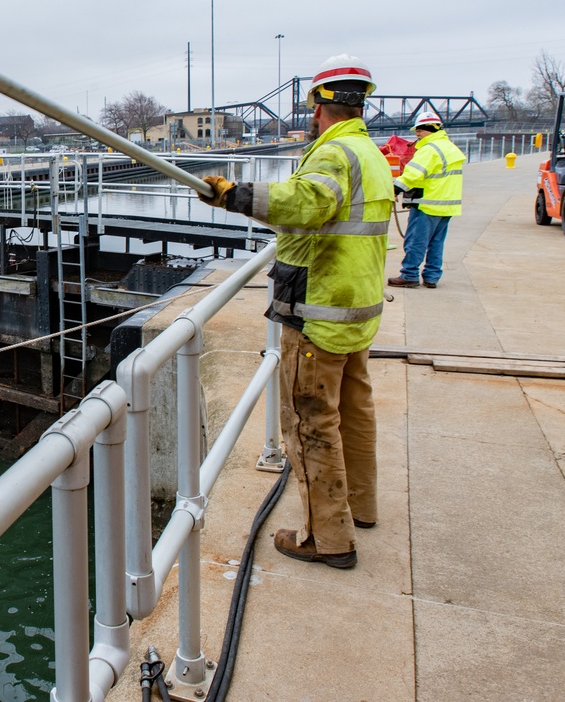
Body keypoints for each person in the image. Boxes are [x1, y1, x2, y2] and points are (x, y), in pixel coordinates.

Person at [199, 54, 394, 569]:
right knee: (354, 409)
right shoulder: (369, 152)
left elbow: (308, 202)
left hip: (319, 312)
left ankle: (326, 538)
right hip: (356, 308)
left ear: (320, 103)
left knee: (309, 420)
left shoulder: (333, 155)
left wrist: (235, 195)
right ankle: (360, 506)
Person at [387, 111, 465, 288]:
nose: (418, 134)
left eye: (420, 131)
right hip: (447, 205)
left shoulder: (430, 149)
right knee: (436, 243)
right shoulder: (450, 147)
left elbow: (412, 174)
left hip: (428, 204)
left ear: (430, 129)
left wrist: (395, 189)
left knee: (416, 241)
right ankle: (431, 277)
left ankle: (409, 275)